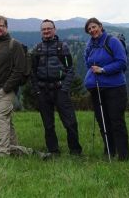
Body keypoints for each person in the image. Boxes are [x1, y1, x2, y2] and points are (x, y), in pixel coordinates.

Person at [31, 19, 82, 156]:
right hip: (43, 90)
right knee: (48, 124)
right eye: (44, 29)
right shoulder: (37, 48)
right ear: (41, 31)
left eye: (49, 28)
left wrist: (65, 89)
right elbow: (32, 72)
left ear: (54, 30)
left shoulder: (62, 47)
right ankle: (53, 151)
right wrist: (37, 90)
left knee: (70, 122)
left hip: (60, 90)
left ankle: (75, 151)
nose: (46, 31)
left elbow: (70, 69)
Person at [84, 17, 129, 161]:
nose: (92, 30)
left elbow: (122, 62)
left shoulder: (112, 42)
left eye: (94, 27)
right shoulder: (90, 44)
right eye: (89, 29)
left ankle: (123, 156)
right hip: (97, 88)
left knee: (116, 121)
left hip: (115, 88)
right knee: (102, 121)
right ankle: (109, 151)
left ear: (100, 26)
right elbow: (87, 62)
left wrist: (103, 70)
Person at [0, 15, 26, 155]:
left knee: (2, 119)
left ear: (6, 27)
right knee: (7, 121)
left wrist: (5, 89)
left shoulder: (14, 45)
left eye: (1, 26)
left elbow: (19, 70)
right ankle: (15, 149)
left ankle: (3, 152)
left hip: (6, 90)